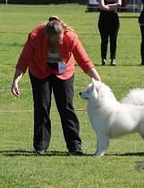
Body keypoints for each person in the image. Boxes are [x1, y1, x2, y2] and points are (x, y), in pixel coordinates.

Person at [11, 16, 101, 155]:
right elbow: (24, 59)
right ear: (47, 36)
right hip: (40, 72)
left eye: (60, 39)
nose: (59, 42)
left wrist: (98, 80)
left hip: (64, 72)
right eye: (55, 40)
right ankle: (40, 147)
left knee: (66, 107)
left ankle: (75, 147)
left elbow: (84, 61)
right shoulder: (35, 36)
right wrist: (16, 80)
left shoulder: (70, 37)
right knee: (41, 107)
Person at [97, 0, 122, 66]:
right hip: (103, 20)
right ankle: (103, 59)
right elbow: (101, 6)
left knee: (113, 40)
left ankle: (113, 59)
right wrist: (113, 7)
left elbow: (119, 4)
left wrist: (107, 6)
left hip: (114, 20)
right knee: (104, 40)